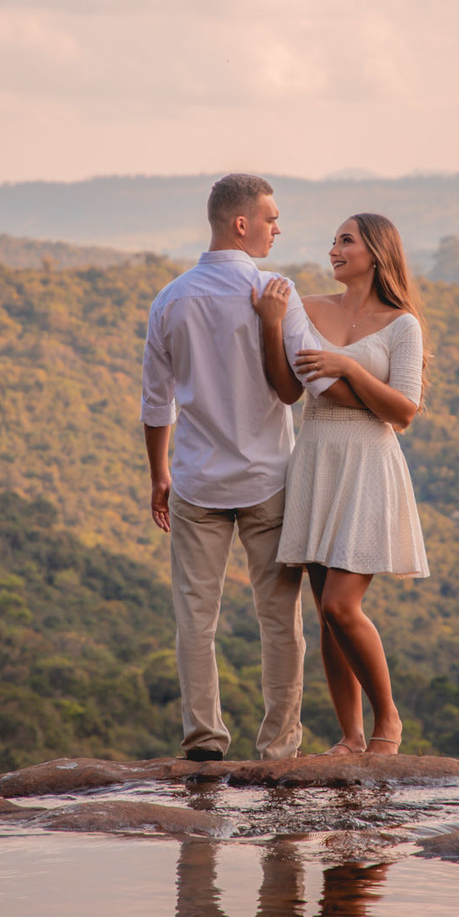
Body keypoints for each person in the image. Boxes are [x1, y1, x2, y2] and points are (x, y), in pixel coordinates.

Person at [141, 172, 337, 762]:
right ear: (241, 223)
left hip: (197, 480)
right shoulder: (277, 291)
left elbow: (157, 402)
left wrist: (159, 475)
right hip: (268, 480)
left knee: (194, 620)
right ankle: (279, 746)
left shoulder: (170, 299)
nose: (279, 227)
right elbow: (306, 380)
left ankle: (204, 739)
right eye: (271, 217)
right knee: (280, 620)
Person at [253, 214, 428, 756]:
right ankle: (351, 734)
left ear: (376, 251)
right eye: (333, 241)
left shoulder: (403, 325)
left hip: (368, 461)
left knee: (339, 607)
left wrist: (348, 368)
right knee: (326, 611)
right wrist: (271, 323)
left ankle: (388, 722)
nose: (334, 250)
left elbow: (403, 411)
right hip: (316, 457)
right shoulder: (305, 308)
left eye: (345, 241)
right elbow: (287, 389)